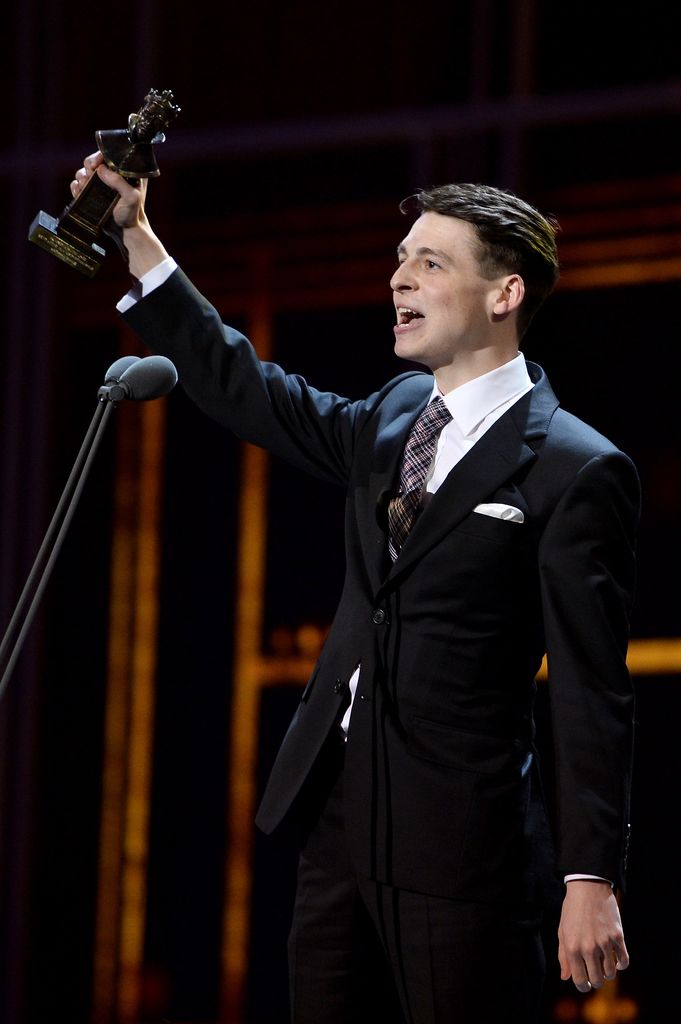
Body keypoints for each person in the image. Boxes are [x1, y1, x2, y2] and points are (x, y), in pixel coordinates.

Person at [71, 154, 639, 1023]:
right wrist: (138, 240)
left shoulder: (573, 465)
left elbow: (591, 689)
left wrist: (588, 875)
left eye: (430, 263)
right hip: (336, 815)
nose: (398, 278)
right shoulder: (392, 414)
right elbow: (246, 390)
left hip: (460, 843)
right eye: (400, 257)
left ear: (505, 294)